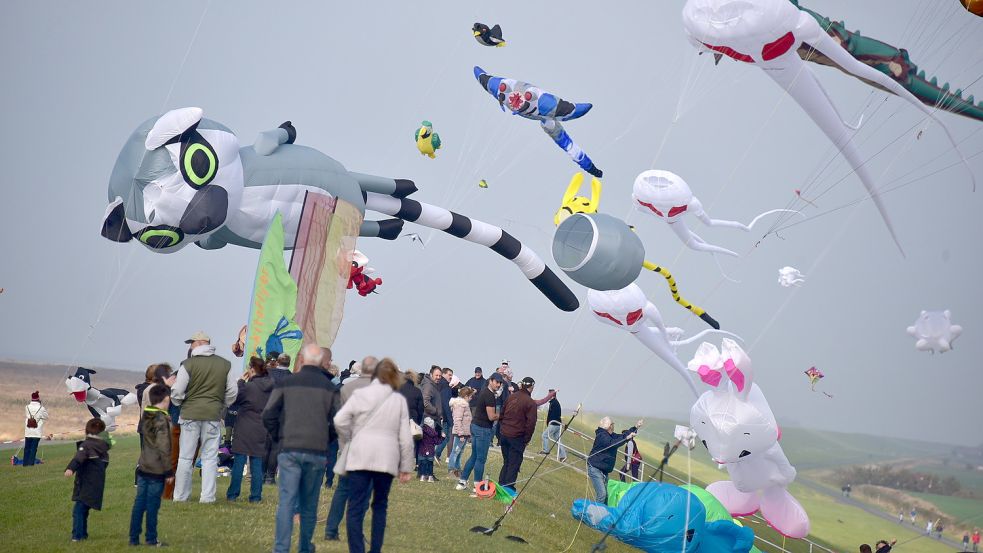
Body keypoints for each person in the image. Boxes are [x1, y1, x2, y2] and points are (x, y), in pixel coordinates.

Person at [263, 344, 340, 553]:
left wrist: (280, 437)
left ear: (302, 360)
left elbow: (268, 413)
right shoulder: (329, 388)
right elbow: (338, 421)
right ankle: (305, 547)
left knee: (287, 501)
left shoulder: (287, 382)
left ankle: (281, 548)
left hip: (290, 447)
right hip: (316, 450)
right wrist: (326, 438)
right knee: (309, 504)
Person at [333, 357, 414, 553]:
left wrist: (348, 438)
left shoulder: (361, 395)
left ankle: (357, 549)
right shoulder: (398, 401)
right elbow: (405, 436)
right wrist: (406, 466)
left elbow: (339, 420)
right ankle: (375, 549)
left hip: (360, 455)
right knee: (379, 505)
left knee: (355, 506)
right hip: (386, 458)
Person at [171, 331, 237, 503]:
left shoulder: (188, 364)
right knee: (209, 457)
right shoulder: (225, 364)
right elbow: (232, 392)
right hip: (213, 415)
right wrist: (222, 405)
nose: (190, 346)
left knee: (185, 457)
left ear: (198, 343)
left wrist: (179, 403)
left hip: (190, 414)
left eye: (191, 343)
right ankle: (207, 497)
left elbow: (178, 391)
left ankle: (180, 496)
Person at [324, 355, 377, 539]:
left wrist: (343, 443)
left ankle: (331, 529)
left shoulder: (347, 388)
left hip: (350, 444)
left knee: (342, 490)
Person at [129, 384, 174, 547]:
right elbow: (163, 446)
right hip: (156, 469)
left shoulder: (146, 415)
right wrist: (169, 471)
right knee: (153, 505)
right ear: (165, 399)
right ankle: (151, 538)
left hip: (143, 467)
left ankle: (133, 538)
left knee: (139, 503)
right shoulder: (161, 419)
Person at [226, 356, 274, 502]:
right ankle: (255, 496)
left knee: (239, 462)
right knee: (257, 463)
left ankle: (233, 494)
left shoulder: (248, 387)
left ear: (251, 369)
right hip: (261, 426)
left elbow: (236, 399)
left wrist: (241, 381)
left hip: (245, 425)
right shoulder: (271, 387)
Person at [456, 373, 503, 494]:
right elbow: (492, 416)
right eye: (497, 382)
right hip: (482, 429)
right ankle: (477, 487)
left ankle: (462, 481)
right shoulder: (489, 395)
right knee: (481, 459)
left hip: (476, 426)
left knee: (474, 456)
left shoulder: (484, 392)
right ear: (491, 381)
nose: (498, 385)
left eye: (500, 383)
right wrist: (504, 415)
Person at [65, 418, 110, 542]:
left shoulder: (86, 446)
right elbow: (105, 465)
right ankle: (83, 534)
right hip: (97, 484)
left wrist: (70, 469)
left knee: (78, 510)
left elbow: (78, 459)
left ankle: (77, 536)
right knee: (84, 510)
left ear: (86, 431)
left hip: (85, 483)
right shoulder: (104, 449)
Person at [498, 376, 539, 491]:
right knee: (514, 464)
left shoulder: (512, 397)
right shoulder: (530, 403)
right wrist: (526, 440)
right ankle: (508, 490)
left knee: (506, 461)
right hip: (516, 437)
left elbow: (501, 415)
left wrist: (502, 430)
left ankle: (501, 485)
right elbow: (531, 424)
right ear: (531, 387)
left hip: (504, 434)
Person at [588, 417, 642, 504]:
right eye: (613, 425)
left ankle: (603, 515)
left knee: (606, 497)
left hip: (604, 471)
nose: (613, 427)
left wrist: (635, 427)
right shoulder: (602, 436)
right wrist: (627, 438)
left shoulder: (610, 435)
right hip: (595, 469)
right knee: (602, 494)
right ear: (609, 426)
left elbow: (621, 436)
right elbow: (613, 443)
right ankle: (596, 515)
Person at [447, 387, 474, 478]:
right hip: (461, 433)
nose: (471, 398)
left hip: (465, 433)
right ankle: (451, 469)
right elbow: (457, 420)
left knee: (460, 452)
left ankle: (457, 469)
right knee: (455, 451)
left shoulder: (465, 405)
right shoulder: (460, 405)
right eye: (470, 396)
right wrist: (461, 433)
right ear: (466, 396)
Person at [539, 390, 566, 461]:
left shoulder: (554, 403)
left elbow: (553, 415)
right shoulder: (554, 402)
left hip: (554, 424)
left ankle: (546, 450)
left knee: (544, 435)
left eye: (549, 394)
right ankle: (563, 455)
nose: (548, 396)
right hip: (556, 424)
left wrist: (550, 423)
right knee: (557, 440)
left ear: (552, 395)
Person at [434, 367, 455, 462]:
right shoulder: (446, 386)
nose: (451, 377)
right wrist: (450, 419)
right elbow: (446, 403)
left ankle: (436, 454)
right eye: (449, 375)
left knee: (442, 436)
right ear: (443, 374)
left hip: (437, 413)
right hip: (445, 415)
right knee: (446, 437)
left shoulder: (438, 384)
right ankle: (436, 453)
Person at [23, 390, 48, 467]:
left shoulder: (27, 407)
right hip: (37, 431)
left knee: (27, 448)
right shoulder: (41, 408)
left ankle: (25, 463)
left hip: (28, 430)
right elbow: (46, 417)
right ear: (38, 398)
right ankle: (30, 464)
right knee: (33, 448)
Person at [417, 416, 440, 482]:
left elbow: (418, 440)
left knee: (423, 463)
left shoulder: (421, 432)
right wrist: (442, 437)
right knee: (430, 464)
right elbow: (437, 442)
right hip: (431, 450)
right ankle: (430, 477)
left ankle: (422, 476)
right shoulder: (434, 433)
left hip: (422, 450)